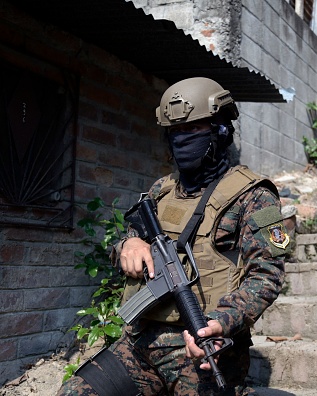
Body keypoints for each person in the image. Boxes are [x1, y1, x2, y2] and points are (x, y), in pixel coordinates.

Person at [58, 77, 288, 395]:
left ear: (221, 129)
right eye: (176, 132)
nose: (183, 140)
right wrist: (128, 244)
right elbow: (124, 240)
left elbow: (267, 275)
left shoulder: (253, 195)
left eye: (193, 129)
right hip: (138, 346)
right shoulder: (161, 191)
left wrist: (221, 322)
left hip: (203, 347)